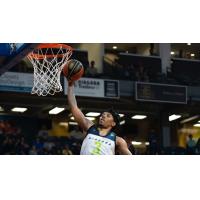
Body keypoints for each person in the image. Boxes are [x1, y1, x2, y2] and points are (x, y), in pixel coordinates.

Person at [67, 81, 132, 155]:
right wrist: (70, 85)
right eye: (103, 114)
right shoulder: (89, 127)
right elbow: (74, 107)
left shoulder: (118, 141)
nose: (103, 116)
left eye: (108, 116)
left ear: (113, 123)